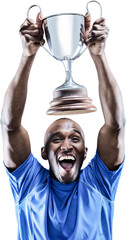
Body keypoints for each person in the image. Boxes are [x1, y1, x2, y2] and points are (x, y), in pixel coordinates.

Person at [1, 11, 125, 240]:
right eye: (57, 139)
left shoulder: (99, 183)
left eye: (75, 138)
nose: (66, 145)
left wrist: (99, 55)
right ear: (43, 153)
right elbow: (10, 127)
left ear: (85, 152)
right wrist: (27, 54)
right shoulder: (29, 184)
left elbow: (116, 126)